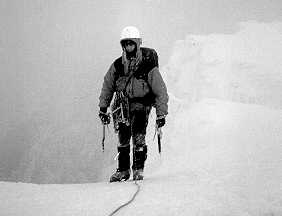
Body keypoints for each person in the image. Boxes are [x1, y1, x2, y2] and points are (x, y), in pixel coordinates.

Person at [98, 26, 168, 182]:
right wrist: (103, 108)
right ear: (123, 45)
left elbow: (160, 90)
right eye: (126, 44)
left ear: (137, 44)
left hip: (142, 105)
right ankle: (123, 171)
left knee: (138, 137)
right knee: (123, 139)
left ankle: (138, 170)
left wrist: (161, 113)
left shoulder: (148, 65)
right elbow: (108, 85)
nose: (129, 47)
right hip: (122, 107)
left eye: (131, 44)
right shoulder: (117, 65)